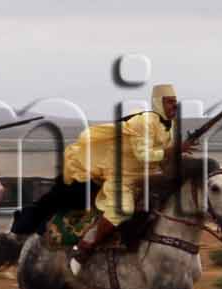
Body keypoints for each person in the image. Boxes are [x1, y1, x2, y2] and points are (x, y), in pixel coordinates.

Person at [64, 83, 181, 269]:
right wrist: (173, 151)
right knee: (122, 209)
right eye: (170, 102)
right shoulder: (144, 122)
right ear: (158, 103)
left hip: (147, 177)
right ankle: (85, 247)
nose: (175, 106)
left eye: (175, 102)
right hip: (123, 177)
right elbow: (143, 154)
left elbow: (163, 157)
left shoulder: (169, 127)